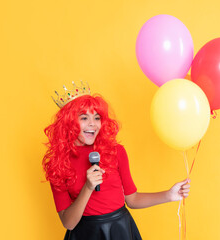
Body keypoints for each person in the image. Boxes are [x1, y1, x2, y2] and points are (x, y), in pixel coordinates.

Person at [43, 87, 190, 240]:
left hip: (120, 230)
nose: (92, 124)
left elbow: (132, 199)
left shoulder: (116, 151)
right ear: (69, 121)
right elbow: (68, 223)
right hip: (85, 234)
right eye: (84, 118)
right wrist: (88, 187)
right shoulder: (58, 163)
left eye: (97, 117)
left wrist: (169, 195)